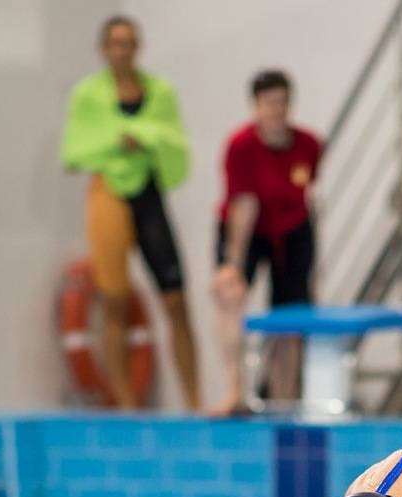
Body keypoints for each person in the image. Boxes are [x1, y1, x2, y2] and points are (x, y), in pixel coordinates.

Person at [60, 15, 201, 411]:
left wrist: (138, 136)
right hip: (107, 193)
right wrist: (118, 142)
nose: (122, 50)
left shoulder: (160, 92)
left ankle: (193, 401)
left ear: (137, 48)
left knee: (176, 300)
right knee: (114, 300)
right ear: (103, 49)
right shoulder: (87, 95)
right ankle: (124, 403)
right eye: (115, 43)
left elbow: (175, 144)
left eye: (129, 43)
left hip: (149, 192)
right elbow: (74, 150)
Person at [212, 70, 323, 414]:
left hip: (290, 229)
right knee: (229, 292)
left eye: (282, 102)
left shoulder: (309, 144)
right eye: (269, 103)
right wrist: (233, 264)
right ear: (255, 106)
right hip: (246, 228)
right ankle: (235, 390)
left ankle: (284, 399)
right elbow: (244, 207)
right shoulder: (241, 146)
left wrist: (311, 269)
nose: (276, 110)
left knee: (292, 314)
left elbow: (309, 198)